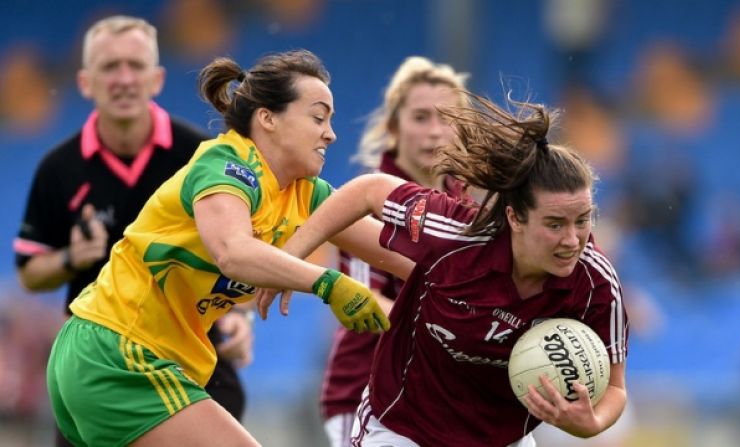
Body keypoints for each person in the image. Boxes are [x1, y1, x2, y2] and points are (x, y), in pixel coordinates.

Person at [45, 47, 404, 446]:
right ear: (267, 118)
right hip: (120, 351)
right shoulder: (227, 164)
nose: (330, 133)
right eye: (318, 117)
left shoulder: (303, 195)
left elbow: (400, 255)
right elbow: (232, 252)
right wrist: (329, 284)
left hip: (122, 356)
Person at [261, 93, 629, 446]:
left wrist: (591, 422)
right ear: (515, 218)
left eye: (583, 220)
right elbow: (368, 191)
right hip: (402, 430)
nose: (572, 239)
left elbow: (615, 389)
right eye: (554, 224)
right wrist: (289, 259)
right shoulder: (455, 236)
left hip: (504, 441)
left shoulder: (596, 281)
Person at [12, 15, 252, 445]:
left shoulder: (198, 157)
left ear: (156, 78)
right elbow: (29, 272)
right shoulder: (58, 169)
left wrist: (239, 316)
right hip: (94, 365)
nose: (124, 79)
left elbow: (237, 249)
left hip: (187, 356)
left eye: (135, 66)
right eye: (110, 67)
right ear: (85, 82)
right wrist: (71, 257)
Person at [319, 55, 471, 447]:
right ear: (393, 126)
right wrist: (458, 331)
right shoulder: (369, 199)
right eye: (421, 117)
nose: (435, 132)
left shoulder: (466, 201)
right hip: (364, 394)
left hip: (435, 400)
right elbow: (362, 301)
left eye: (446, 119)